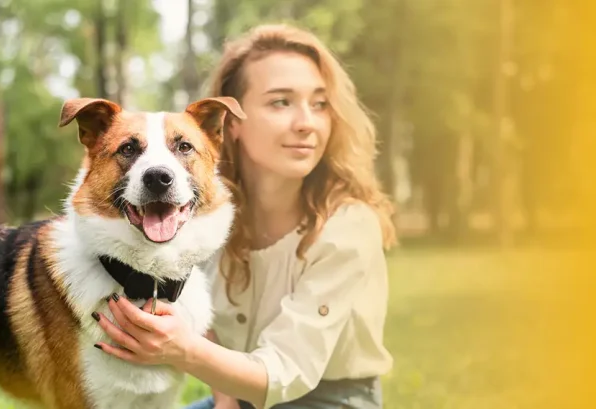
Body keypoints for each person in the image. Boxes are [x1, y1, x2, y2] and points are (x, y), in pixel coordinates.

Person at [92, 23, 398, 409]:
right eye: (281, 102)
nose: (306, 122)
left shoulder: (348, 227)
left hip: (330, 400)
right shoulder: (204, 216)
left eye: (320, 103)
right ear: (230, 123)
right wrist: (224, 400)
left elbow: (287, 372)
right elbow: (209, 320)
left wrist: (181, 349)